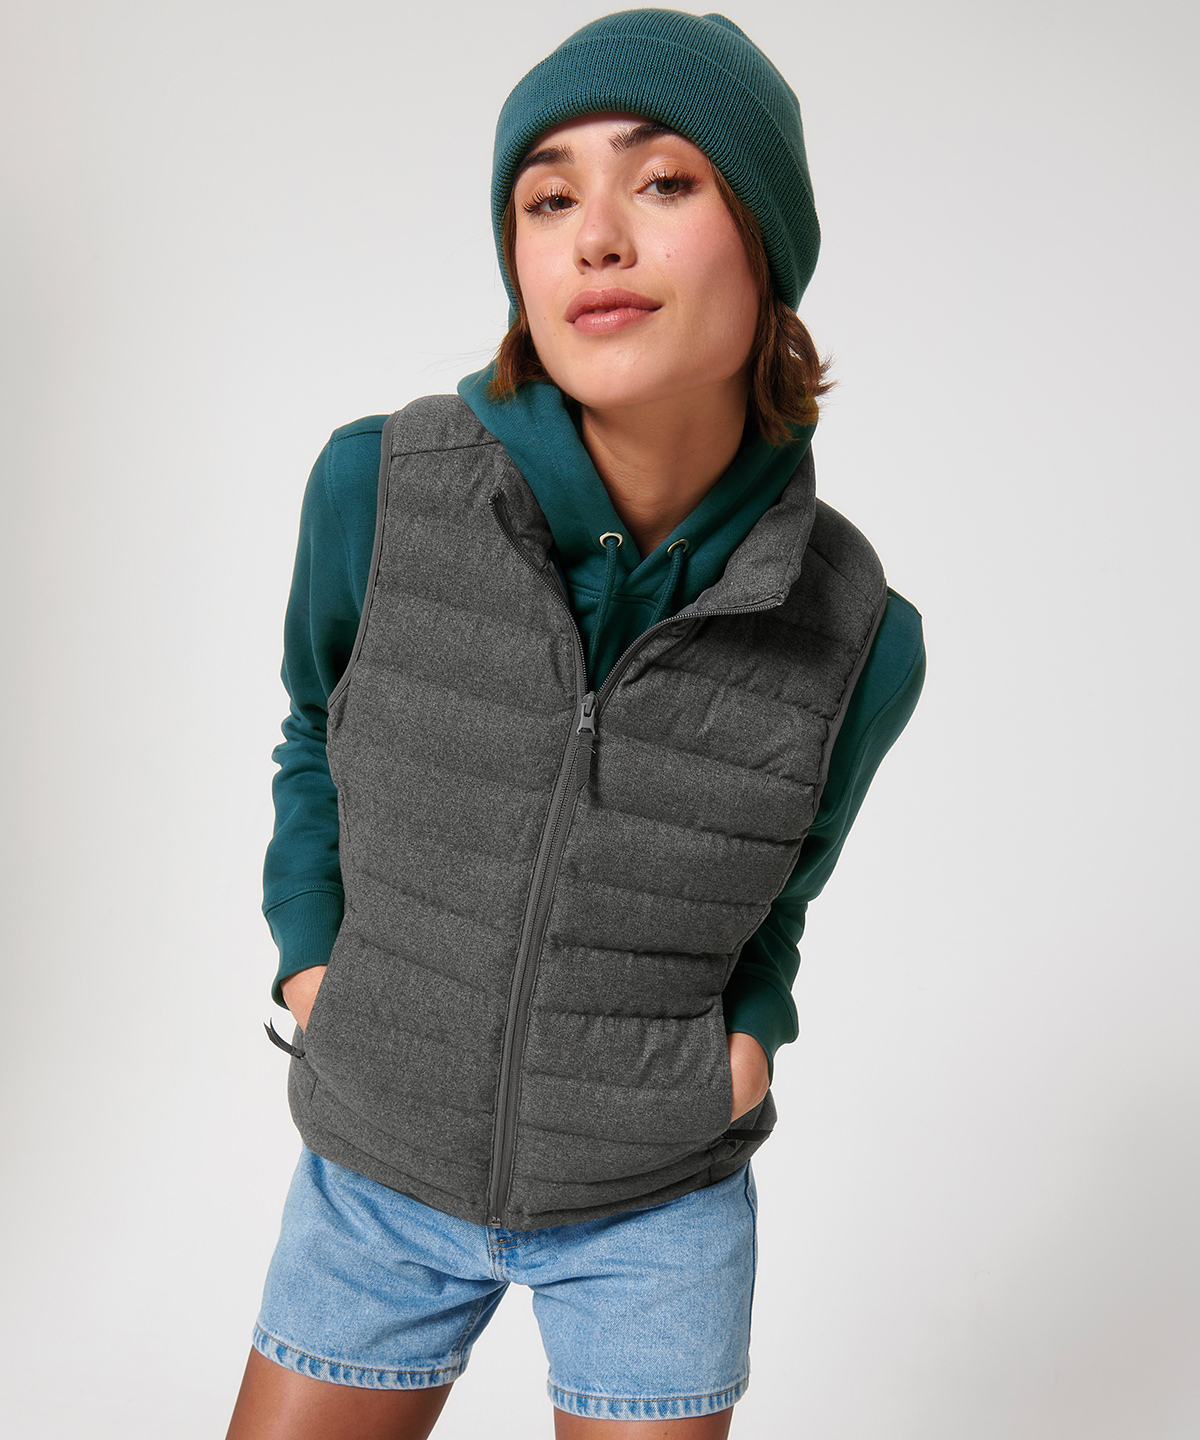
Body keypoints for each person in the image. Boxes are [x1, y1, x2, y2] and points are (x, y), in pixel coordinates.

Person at [227, 10, 925, 1438]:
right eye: (548, 200)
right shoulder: (381, 489)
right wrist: (312, 968)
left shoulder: (859, 632)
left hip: (654, 1205)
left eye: (662, 182)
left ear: (767, 247)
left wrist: (745, 1043)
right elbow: (314, 729)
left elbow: (782, 890)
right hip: (375, 1173)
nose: (596, 237)